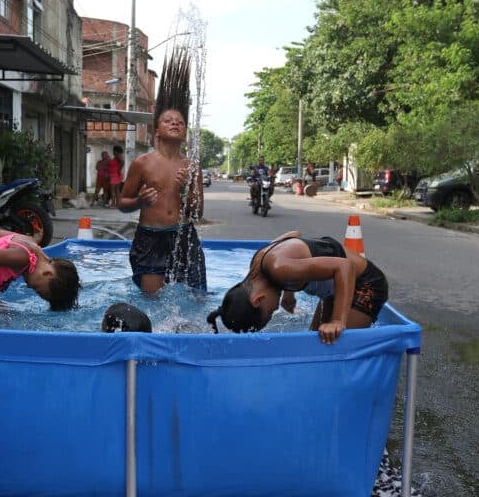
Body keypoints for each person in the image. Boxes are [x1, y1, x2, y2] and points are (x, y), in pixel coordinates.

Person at [118, 47, 206, 294]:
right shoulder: (142, 163)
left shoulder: (191, 167)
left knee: (196, 297)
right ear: (157, 131)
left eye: (180, 122)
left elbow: (197, 213)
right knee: (152, 301)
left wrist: (184, 192)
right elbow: (123, 203)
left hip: (183, 236)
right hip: (150, 237)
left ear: (185, 132)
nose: (175, 123)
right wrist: (140, 201)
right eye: (168, 120)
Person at [206, 230, 388, 344]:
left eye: (269, 312)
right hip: (336, 290)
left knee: (333, 348)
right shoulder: (260, 261)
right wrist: (288, 292)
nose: (274, 309)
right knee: (315, 345)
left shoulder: (280, 269)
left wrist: (337, 321)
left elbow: (345, 267)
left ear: (258, 299)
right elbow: (294, 234)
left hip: (365, 284)